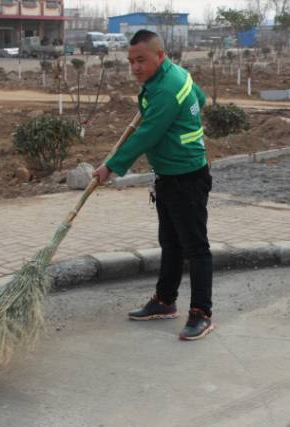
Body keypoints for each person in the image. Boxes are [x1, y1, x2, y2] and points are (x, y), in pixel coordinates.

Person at [92, 30, 214, 340]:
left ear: (159, 56)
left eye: (141, 60)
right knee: (171, 243)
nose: (135, 67)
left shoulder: (165, 89)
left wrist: (111, 167)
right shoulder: (174, 75)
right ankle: (164, 301)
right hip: (169, 176)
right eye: (131, 61)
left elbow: (146, 136)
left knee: (196, 248)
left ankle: (201, 313)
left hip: (187, 177)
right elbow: (199, 98)